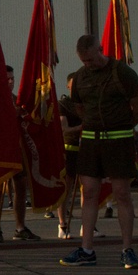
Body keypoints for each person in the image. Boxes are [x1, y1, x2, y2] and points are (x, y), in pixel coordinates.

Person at [60, 35, 138, 269]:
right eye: (83, 61)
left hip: (118, 141)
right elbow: (79, 107)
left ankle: (127, 250)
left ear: (101, 49)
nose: (88, 64)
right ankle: (87, 250)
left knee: (122, 194)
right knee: (88, 193)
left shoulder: (123, 73)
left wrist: (120, 126)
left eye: (91, 59)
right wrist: (93, 123)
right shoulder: (80, 77)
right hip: (90, 141)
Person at [0, 66, 39, 243]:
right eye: (7, 79)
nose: (10, 82)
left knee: (21, 186)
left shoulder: (15, 100)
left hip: (17, 148)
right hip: (1, 149)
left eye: (12, 78)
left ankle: (20, 226)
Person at [56, 72, 81, 239]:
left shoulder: (85, 103)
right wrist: (83, 127)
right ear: (68, 85)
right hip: (69, 149)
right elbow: (64, 129)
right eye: (74, 84)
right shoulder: (63, 104)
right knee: (66, 187)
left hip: (85, 149)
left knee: (87, 188)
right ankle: (63, 224)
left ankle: (88, 225)